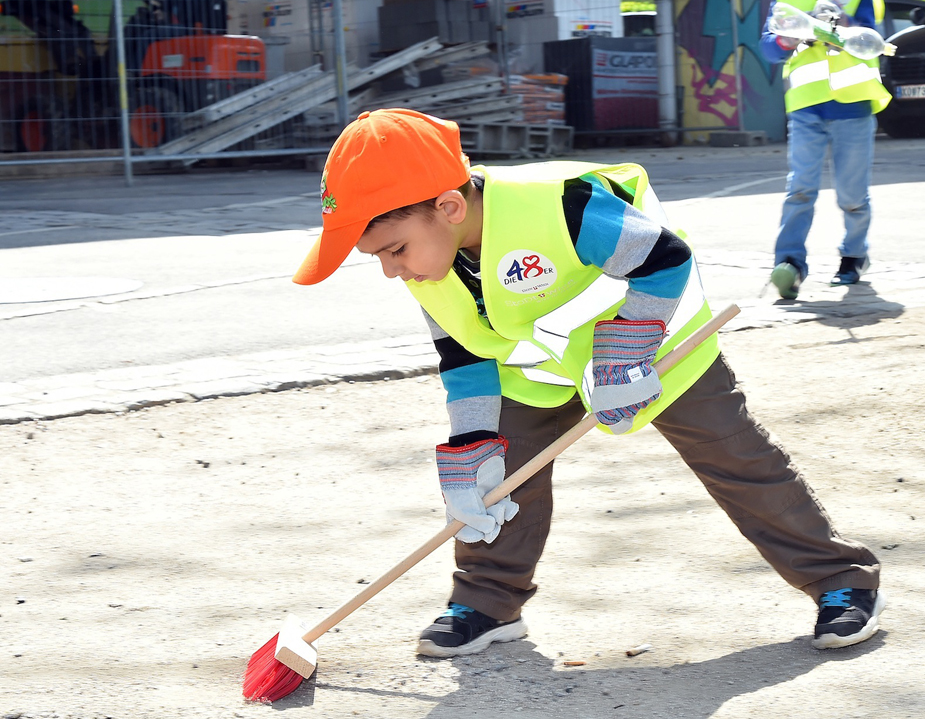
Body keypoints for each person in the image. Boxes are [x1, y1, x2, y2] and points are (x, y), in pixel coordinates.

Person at [293, 108, 885, 658]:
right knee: (499, 474)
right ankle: (488, 603)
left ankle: (841, 581)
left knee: (733, 454)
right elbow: (462, 354)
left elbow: (665, 259)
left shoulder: (562, 206)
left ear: (449, 207)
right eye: (379, 258)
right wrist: (470, 442)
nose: (393, 269)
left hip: (655, 340)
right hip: (540, 369)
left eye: (394, 250)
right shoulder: (431, 263)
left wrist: (626, 352)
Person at [760, 0, 891, 300]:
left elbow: (873, 33)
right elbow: (768, 46)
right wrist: (787, 40)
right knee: (799, 189)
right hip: (806, 106)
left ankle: (854, 256)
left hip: (853, 104)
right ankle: (790, 265)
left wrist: (841, 24)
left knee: (852, 195)